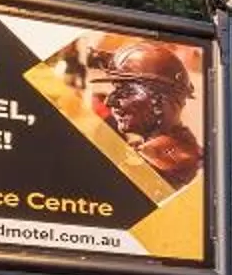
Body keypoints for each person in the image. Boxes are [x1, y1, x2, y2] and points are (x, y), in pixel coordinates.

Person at [78, 37, 204, 188]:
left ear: (159, 100)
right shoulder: (147, 152)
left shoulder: (167, 165)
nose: (109, 101)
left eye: (125, 91)